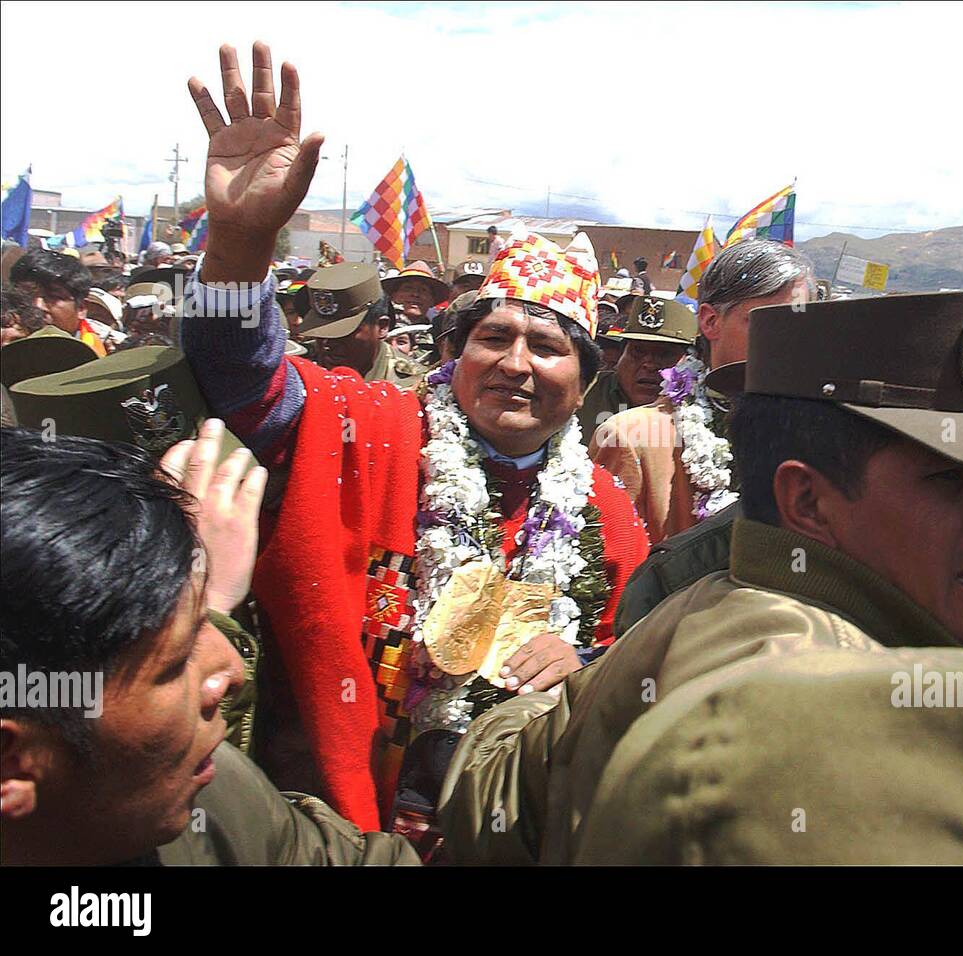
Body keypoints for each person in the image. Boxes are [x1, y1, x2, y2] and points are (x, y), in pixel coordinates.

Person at [437, 290, 963, 866]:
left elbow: (490, 791)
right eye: (950, 479)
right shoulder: (825, 709)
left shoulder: (705, 615)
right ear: (808, 500)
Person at [176, 41, 649, 832]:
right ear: (454, 354)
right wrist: (239, 242)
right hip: (330, 826)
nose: (516, 364)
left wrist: (586, 672)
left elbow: (637, 672)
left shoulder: (610, 514)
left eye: (549, 346)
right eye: (493, 338)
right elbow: (242, 382)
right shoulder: (372, 429)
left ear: (586, 379)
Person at [0, 426, 418, 866]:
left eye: (207, 621)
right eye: (177, 664)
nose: (234, 670)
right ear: (14, 763)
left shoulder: (209, 795)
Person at [591, 239, 813, 543]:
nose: (790, 344)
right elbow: (618, 575)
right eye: (772, 322)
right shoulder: (632, 438)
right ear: (710, 321)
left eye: (802, 326)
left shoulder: (820, 436)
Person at [577, 294, 695, 445]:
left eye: (664, 354)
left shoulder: (699, 408)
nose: (649, 365)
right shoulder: (585, 390)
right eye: (638, 351)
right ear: (620, 356)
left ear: (689, 362)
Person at [296, 263, 423, 388]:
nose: (327, 343)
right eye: (319, 331)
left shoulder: (411, 383)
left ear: (382, 327)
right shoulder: (296, 369)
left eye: (342, 333)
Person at [8, 249, 107, 356]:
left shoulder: (104, 356)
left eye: (53, 297)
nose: (38, 306)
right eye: (26, 296)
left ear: (81, 308)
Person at [382, 260, 450, 322]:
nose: (415, 294)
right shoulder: (377, 329)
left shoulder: (438, 332)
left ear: (432, 300)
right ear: (393, 295)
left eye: (423, 290)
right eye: (408, 288)